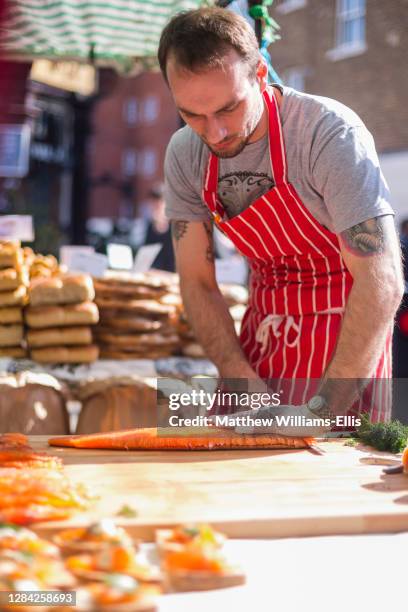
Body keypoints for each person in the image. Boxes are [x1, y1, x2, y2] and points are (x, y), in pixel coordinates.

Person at [158, 8, 404, 431]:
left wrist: (321, 409)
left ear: (259, 75)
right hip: (262, 342)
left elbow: (381, 281)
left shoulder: (327, 133)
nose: (214, 133)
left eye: (228, 109)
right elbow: (197, 281)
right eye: (192, 115)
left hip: (347, 344)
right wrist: (238, 375)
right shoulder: (185, 154)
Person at [141, 184, 175, 272]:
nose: (155, 206)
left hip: (172, 273)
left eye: (158, 203)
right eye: (153, 203)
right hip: (153, 273)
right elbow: (146, 252)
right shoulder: (150, 226)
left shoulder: (175, 225)